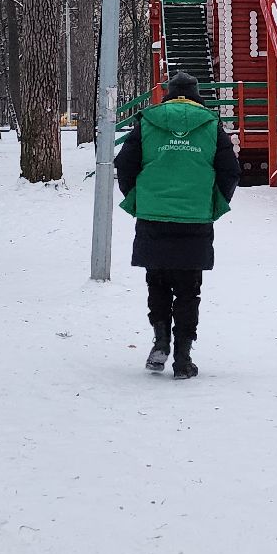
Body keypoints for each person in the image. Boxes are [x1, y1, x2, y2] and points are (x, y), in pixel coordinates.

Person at [116, 72, 239, 379]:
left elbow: (124, 163)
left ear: (169, 94)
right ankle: (183, 359)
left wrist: (138, 199)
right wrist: (213, 205)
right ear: (196, 96)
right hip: (195, 218)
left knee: (156, 281)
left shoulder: (147, 121)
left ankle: (160, 341)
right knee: (188, 290)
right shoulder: (211, 124)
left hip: (153, 216)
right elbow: (230, 171)